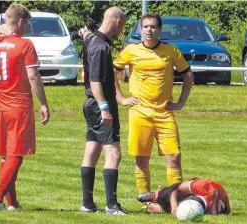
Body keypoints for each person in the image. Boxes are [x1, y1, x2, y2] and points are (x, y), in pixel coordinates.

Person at [113, 13, 194, 195]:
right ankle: (146, 201)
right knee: (141, 159)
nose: (149, 30)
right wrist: (121, 98)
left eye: (153, 27)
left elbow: (188, 75)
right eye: (146, 27)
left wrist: (181, 102)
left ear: (159, 29)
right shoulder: (131, 50)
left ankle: (175, 199)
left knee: (174, 156)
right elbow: (111, 73)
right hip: (139, 113)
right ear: (141, 29)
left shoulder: (170, 51)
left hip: (164, 112)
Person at [0, 3, 50, 211]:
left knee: (6, 156)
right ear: (20, 21)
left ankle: (12, 203)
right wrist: (44, 103)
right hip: (18, 105)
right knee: (16, 154)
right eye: (27, 23)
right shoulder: (25, 44)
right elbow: (33, 75)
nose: (27, 28)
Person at [77, 7, 128, 215]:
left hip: (90, 104)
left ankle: (87, 205)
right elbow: (95, 80)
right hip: (100, 104)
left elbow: (87, 35)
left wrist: (84, 32)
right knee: (113, 152)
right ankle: (112, 206)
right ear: (116, 21)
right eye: (123, 24)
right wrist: (105, 107)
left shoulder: (92, 40)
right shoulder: (100, 47)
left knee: (92, 149)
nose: (122, 28)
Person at [137, 178, 231, 215]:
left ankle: (152, 207)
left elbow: (228, 211)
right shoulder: (206, 187)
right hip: (193, 188)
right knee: (167, 195)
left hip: (198, 195)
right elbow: (174, 188)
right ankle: (157, 195)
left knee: (176, 207)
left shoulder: (210, 206)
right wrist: (174, 207)